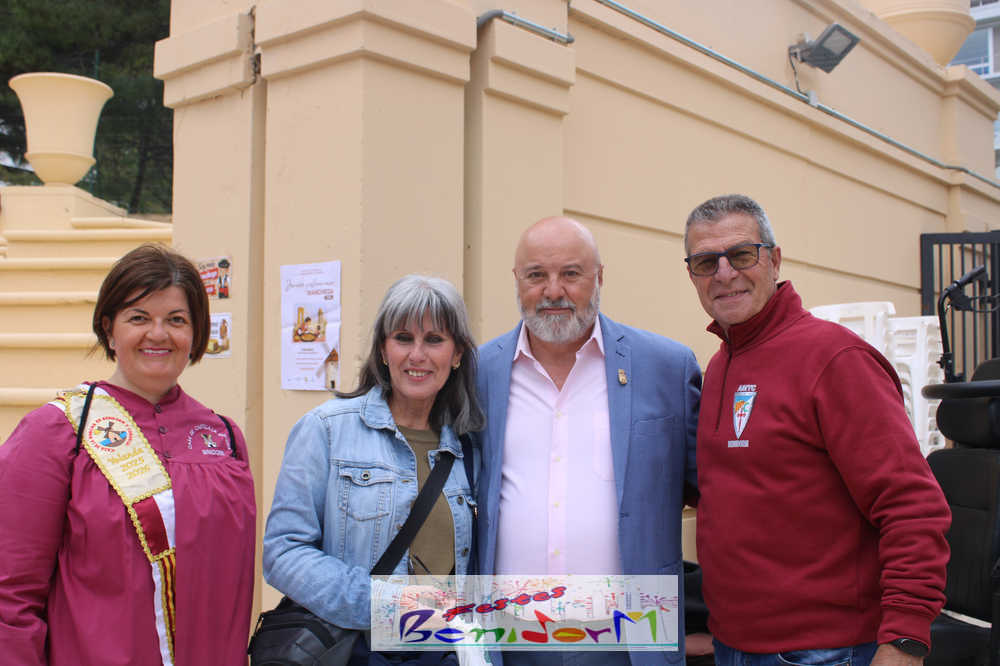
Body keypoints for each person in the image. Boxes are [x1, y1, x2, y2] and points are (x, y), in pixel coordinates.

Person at [683, 194, 951, 665]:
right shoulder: (722, 364)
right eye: (706, 262)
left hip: (826, 651)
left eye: (741, 255)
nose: (724, 273)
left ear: (774, 260)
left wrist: (905, 639)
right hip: (734, 645)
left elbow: (911, 506)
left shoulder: (836, 360)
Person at [0, 243, 257, 665]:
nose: (158, 334)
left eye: (176, 320)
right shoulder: (57, 433)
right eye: (139, 318)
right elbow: (10, 593)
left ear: (195, 334)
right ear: (109, 329)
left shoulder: (223, 437)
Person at [475, 216, 702, 666]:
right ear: (516, 280)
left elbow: (715, 493)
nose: (553, 290)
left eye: (571, 273)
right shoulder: (479, 372)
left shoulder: (666, 367)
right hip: (508, 636)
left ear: (600, 277)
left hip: (633, 637)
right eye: (536, 275)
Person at [263, 274, 484, 664]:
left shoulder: (470, 447)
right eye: (403, 338)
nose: (417, 355)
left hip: (445, 653)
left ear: (457, 354)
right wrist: (384, 604)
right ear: (383, 349)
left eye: (434, 339)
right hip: (356, 652)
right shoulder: (327, 429)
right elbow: (283, 552)